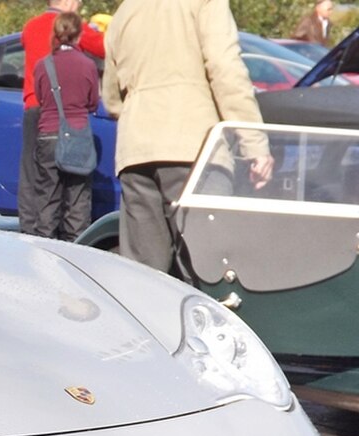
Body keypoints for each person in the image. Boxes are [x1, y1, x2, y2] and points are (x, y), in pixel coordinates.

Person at [102, 0, 273, 274]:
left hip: (136, 149)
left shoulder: (124, 12)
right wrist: (254, 142)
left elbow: (110, 97)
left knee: (143, 275)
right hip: (194, 147)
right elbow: (225, 69)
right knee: (208, 270)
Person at [18, 0, 104, 236]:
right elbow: (105, 48)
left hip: (35, 107)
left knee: (33, 177)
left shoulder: (31, 26)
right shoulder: (75, 27)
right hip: (68, 115)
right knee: (75, 188)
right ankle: (74, 243)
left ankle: (30, 231)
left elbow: (24, 43)